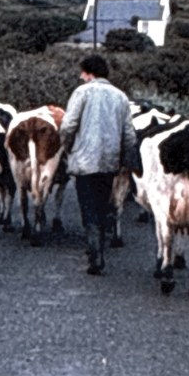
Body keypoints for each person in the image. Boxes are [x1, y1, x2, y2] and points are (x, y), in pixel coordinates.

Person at [60, 54, 138, 275]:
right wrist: (125, 157)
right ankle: (100, 245)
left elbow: (68, 125)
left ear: (89, 73)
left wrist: (68, 147)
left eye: (82, 72)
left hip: (84, 160)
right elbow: (129, 134)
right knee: (104, 202)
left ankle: (94, 251)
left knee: (87, 204)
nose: (80, 76)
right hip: (109, 160)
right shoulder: (120, 96)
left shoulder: (81, 92)